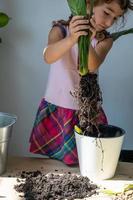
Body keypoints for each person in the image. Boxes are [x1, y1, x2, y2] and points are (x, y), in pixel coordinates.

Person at [29, 0, 133, 165]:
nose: (109, 22)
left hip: (85, 113)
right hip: (58, 111)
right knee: (56, 165)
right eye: (107, 13)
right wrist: (73, 39)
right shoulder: (60, 31)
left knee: (87, 162)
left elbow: (92, 66)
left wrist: (87, 40)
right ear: (88, 4)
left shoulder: (105, 40)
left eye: (115, 18)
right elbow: (48, 56)